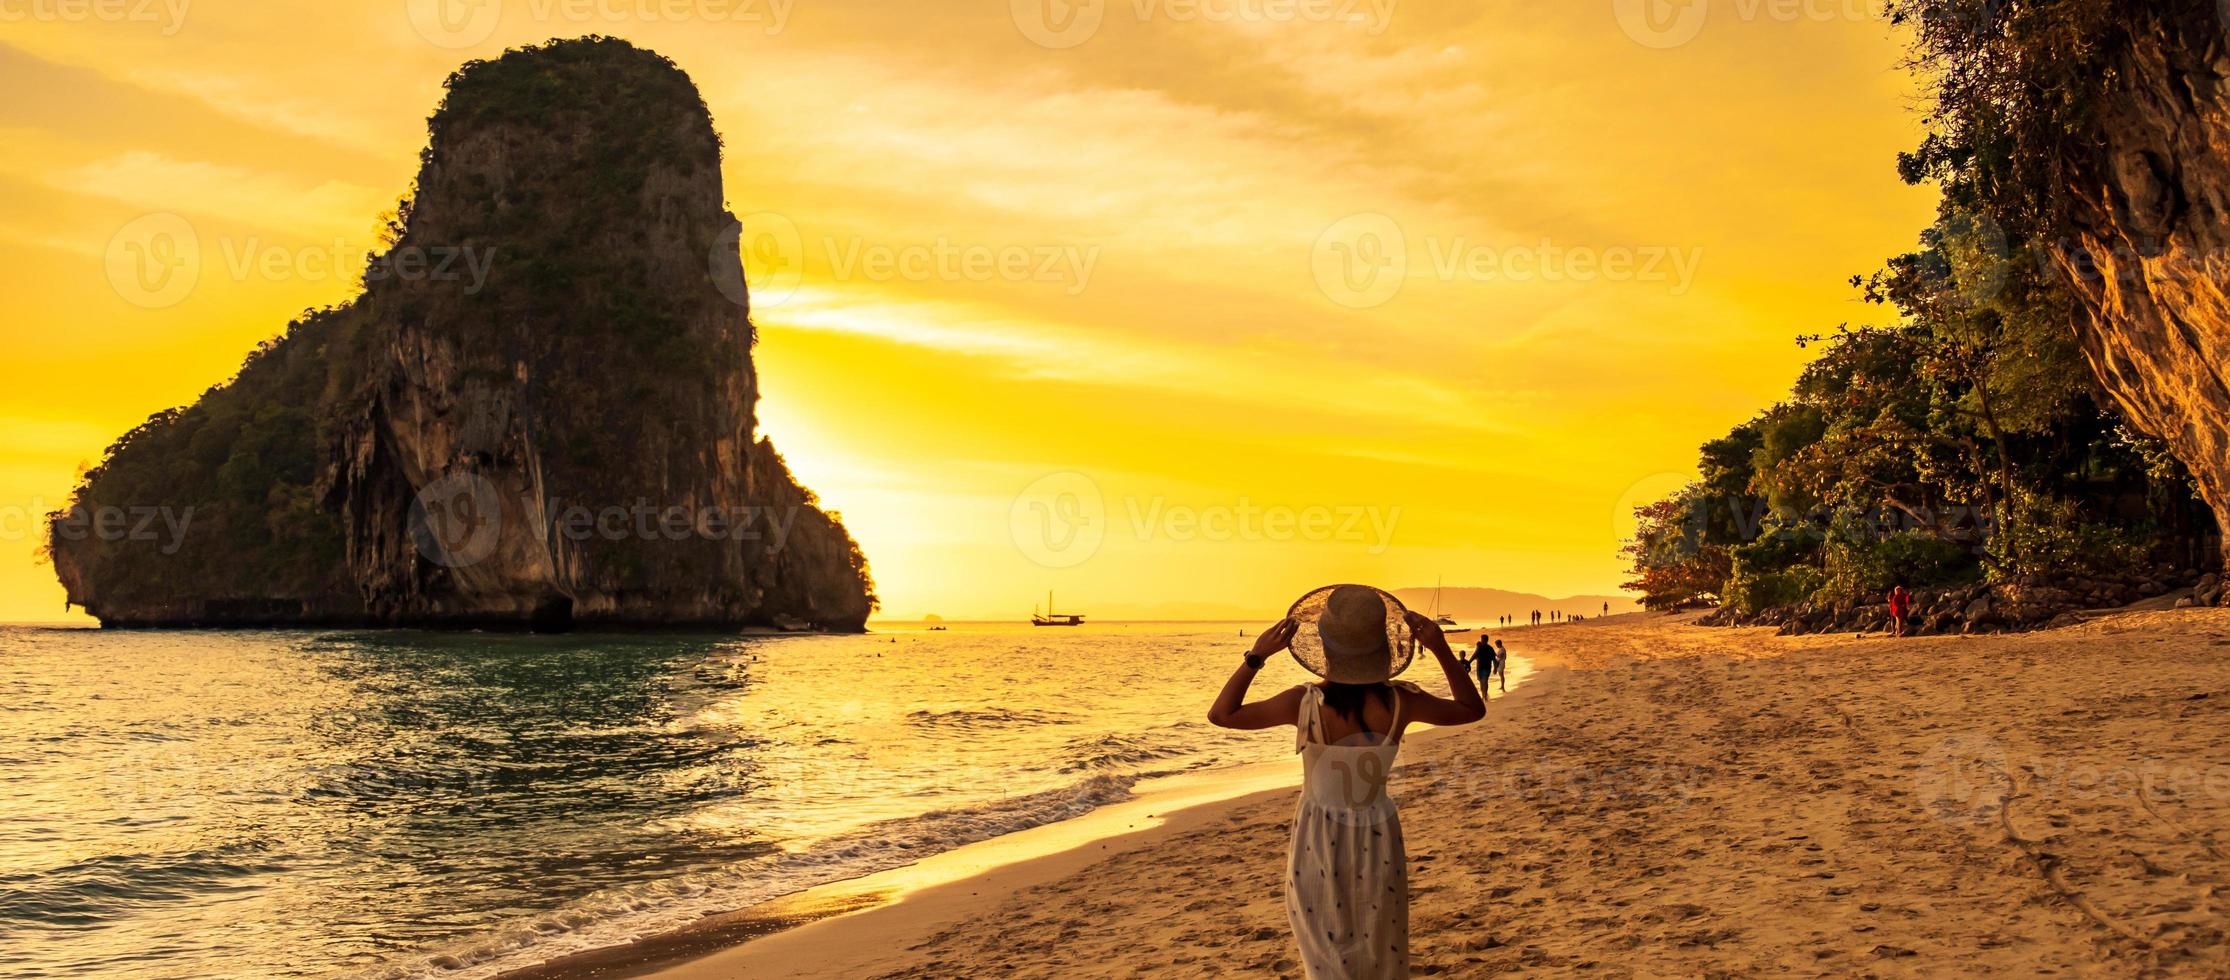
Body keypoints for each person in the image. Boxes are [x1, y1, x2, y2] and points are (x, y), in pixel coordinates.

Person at [1208, 586, 1486, 979]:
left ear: (1324, 647)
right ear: (1382, 648)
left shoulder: (1302, 703)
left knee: (1324, 952)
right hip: (1378, 834)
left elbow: (1222, 714)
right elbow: (1471, 709)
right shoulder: (1401, 702)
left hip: (1316, 838)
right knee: (1381, 949)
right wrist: (1439, 648)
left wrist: (1256, 656)